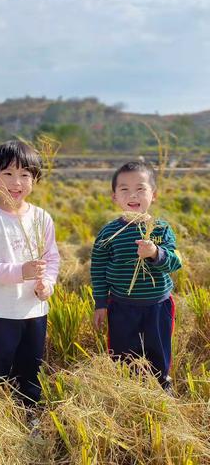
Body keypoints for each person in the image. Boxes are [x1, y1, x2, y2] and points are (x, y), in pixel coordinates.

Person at [0, 140, 60, 405]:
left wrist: (48, 283)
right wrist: (21, 271)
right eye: (7, 174)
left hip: (34, 312)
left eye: (24, 175)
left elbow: (51, 259)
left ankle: (28, 415)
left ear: (35, 179)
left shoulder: (42, 217)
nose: (15, 182)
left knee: (30, 372)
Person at [91, 161, 182, 388]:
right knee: (123, 351)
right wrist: (100, 303)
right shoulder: (108, 233)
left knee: (158, 348)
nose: (133, 195)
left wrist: (154, 253)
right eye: (124, 189)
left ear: (154, 195)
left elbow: (175, 262)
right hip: (121, 306)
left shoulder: (161, 229)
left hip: (158, 305)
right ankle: (127, 388)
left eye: (141, 188)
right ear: (115, 197)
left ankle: (162, 385)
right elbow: (98, 269)